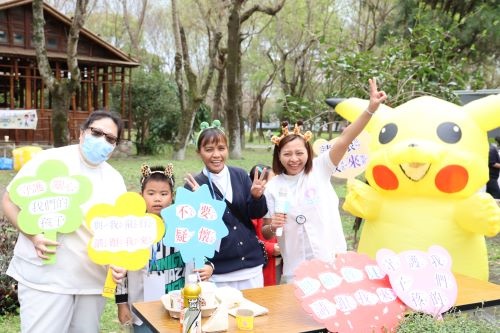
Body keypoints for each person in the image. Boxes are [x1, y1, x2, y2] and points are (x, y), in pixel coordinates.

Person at [1, 110, 128, 333]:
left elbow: (118, 234)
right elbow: (9, 201)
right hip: (46, 279)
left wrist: (118, 263)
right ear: (81, 133)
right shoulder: (49, 160)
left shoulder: (115, 180)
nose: (102, 141)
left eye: (110, 139)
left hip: (91, 282)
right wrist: (34, 236)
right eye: (97, 133)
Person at [262, 78, 387, 283]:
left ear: (308, 153)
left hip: (332, 264)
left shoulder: (320, 169)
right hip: (295, 271)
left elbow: (346, 138)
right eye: (287, 154)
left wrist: (370, 108)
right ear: (279, 156)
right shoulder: (273, 187)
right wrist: (274, 225)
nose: (294, 159)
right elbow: (267, 233)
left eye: (299, 153)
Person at [115, 163, 214, 332]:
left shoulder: (185, 223)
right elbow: (120, 270)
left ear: (172, 196)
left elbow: (202, 249)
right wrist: (122, 304)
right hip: (143, 308)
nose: (158, 199)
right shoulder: (131, 228)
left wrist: (209, 266)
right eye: (151, 193)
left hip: (181, 304)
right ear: (141, 195)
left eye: (164, 193)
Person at [184, 120, 268, 290]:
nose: (216, 155)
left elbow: (255, 214)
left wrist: (257, 197)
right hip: (218, 271)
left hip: (251, 267)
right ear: (199, 152)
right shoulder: (193, 185)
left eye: (221, 148)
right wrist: (203, 205)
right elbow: (192, 234)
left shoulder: (240, 175)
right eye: (209, 149)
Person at [249, 164, 281, 286]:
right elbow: (248, 239)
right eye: (273, 181)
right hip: (262, 265)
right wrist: (271, 248)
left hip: (278, 263)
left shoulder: (278, 202)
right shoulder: (254, 209)